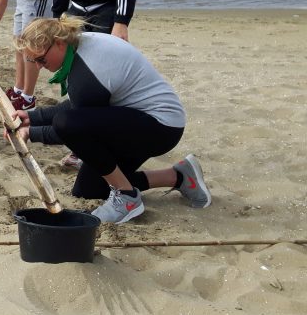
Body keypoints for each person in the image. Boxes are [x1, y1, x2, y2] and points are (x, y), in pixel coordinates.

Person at [12, 17, 211, 224]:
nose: (39, 66)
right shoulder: (79, 43)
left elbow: (71, 128)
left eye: (41, 60)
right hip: (137, 118)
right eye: (33, 61)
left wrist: (31, 133)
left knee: (67, 123)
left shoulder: (87, 72)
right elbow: (78, 108)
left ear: (59, 43)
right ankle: (179, 176)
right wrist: (32, 117)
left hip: (160, 126)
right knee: (89, 189)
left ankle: (126, 197)